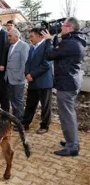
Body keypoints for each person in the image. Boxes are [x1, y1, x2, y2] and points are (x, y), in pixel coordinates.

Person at [42, 17, 86, 156]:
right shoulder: (74, 41)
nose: (61, 27)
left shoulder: (70, 43)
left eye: (63, 25)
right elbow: (58, 53)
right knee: (68, 114)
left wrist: (48, 39)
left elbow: (49, 55)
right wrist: (54, 39)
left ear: (70, 28)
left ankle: (72, 147)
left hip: (67, 84)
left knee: (67, 116)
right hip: (71, 81)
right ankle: (71, 141)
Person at [21, 28, 53, 134]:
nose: (30, 38)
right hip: (32, 81)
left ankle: (45, 126)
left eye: (32, 36)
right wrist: (27, 73)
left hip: (44, 82)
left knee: (45, 105)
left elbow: (46, 65)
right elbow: (27, 63)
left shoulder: (47, 47)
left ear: (40, 36)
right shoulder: (32, 48)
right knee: (30, 103)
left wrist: (32, 74)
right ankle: (25, 124)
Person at [5, 28, 30, 120]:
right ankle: (15, 118)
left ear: (16, 36)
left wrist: (21, 77)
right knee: (13, 100)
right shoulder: (11, 46)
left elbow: (24, 63)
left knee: (18, 101)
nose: (8, 38)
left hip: (18, 78)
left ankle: (19, 120)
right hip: (10, 78)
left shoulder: (24, 46)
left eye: (10, 36)